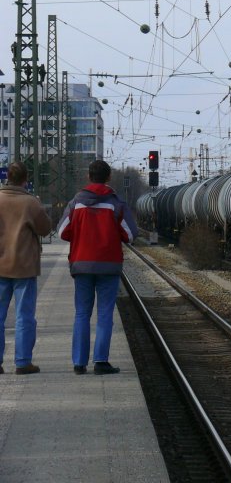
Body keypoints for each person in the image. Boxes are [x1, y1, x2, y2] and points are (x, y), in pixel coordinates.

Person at [57, 160, 138, 375]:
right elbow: (130, 234)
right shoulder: (116, 203)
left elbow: (62, 231)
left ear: (88, 177)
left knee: (82, 313)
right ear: (108, 177)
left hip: (82, 264)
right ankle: (101, 361)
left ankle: (79, 362)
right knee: (105, 313)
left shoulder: (76, 202)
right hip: (108, 266)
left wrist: (81, 236)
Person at [0, 161, 53, 375]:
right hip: (24, 267)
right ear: (25, 180)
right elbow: (45, 229)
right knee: (24, 316)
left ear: (7, 177)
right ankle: (22, 362)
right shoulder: (30, 202)